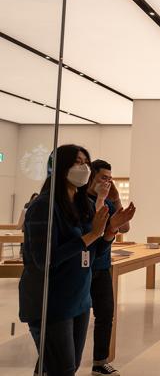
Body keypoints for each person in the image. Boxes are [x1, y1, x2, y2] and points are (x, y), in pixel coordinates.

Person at [19, 144, 120, 376]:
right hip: (52, 301)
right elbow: (45, 259)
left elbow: (93, 254)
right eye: (77, 162)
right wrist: (92, 235)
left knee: (68, 366)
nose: (84, 168)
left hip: (79, 298)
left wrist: (109, 231)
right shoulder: (43, 206)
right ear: (60, 167)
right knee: (61, 368)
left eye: (86, 163)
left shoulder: (84, 205)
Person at [86, 160, 136, 376]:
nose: (107, 182)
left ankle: (100, 362)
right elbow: (93, 230)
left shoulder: (108, 200)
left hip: (102, 264)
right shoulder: (82, 200)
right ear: (92, 177)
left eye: (109, 179)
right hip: (82, 266)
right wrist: (101, 200)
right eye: (103, 178)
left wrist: (115, 199)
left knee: (106, 314)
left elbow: (124, 227)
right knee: (74, 317)